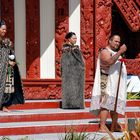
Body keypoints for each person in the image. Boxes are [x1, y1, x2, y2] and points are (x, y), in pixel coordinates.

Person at [90, 35, 127, 132]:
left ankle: (114, 125)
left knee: (115, 105)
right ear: (110, 41)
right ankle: (102, 126)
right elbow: (109, 62)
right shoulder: (104, 51)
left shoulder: (115, 53)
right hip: (106, 81)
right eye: (115, 41)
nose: (117, 43)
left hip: (116, 83)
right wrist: (120, 52)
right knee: (106, 104)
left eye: (119, 42)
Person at [0, 20, 24, 112]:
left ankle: (4, 105)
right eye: (2, 29)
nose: (4, 31)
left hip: (7, 69)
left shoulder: (7, 42)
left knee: (7, 87)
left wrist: (13, 62)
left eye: (5, 29)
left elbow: (11, 54)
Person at [61, 32, 85, 109]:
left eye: (76, 38)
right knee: (69, 88)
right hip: (68, 72)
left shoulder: (76, 48)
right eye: (74, 38)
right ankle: (68, 104)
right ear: (68, 39)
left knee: (78, 88)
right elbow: (64, 61)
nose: (75, 40)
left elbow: (80, 60)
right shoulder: (66, 49)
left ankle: (77, 104)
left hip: (78, 72)